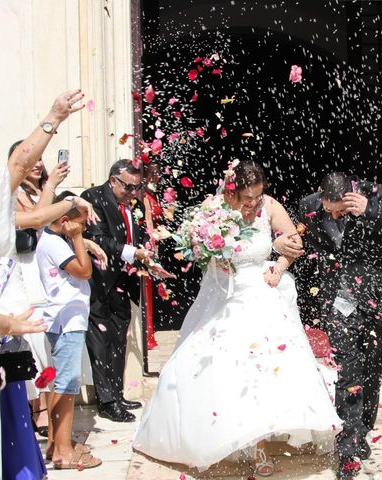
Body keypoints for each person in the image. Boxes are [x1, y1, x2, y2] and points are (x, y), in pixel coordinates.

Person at [134, 160, 341, 476]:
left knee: (261, 370)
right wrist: (210, 250)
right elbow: (194, 249)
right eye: (248, 198)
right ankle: (233, 440)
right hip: (223, 298)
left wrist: (280, 265)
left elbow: (294, 245)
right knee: (226, 371)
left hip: (261, 295)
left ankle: (261, 443)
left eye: (258, 197)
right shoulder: (211, 210)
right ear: (232, 191)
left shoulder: (270, 207)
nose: (253, 204)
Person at [0, 90, 85, 479]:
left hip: (10, 318)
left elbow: (17, 163)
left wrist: (54, 118)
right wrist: (69, 205)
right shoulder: (13, 206)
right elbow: (33, 220)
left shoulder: (4, 190)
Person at [298, 172, 382, 478]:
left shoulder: (380, 196)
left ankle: (361, 428)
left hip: (380, 297)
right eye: (329, 211)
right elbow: (302, 250)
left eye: (341, 211)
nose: (334, 216)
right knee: (348, 369)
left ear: (351, 196)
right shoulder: (307, 205)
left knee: (374, 369)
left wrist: (371, 212)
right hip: (338, 300)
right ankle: (347, 446)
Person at [81, 159, 173, 423]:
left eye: (137, 188)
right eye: (129, 188)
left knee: (119, 338)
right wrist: (135, 253)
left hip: (124, 280)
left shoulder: (130, 201)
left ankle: (117, 394)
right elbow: (97, 238)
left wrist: (147, 254)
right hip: (99, 281)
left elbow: (135, 233)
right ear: (113, 180)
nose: (134, 193)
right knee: (100, 342)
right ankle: (106, 401)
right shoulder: (93, 198)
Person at [36, 192, 102, 470]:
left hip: (68, 320)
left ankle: (57, 443)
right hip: (66, 322)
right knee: (66, 386)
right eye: (81, 224)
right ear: (65, 221)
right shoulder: (56, 244)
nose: (84, 229)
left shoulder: (52, 238)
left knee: (64, 384)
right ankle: (63, 451)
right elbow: (84, 271)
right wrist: (77, 240)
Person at [142, 162, 164, 350]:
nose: (156, 175)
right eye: (153, 172)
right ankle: (147, 333)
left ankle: (149, 330)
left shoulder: (153, 193)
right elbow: (148, 222)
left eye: (158, 172)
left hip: (155, 241)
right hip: (148, 244)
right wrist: (152, 245)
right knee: (146, 288)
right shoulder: (145, 196)